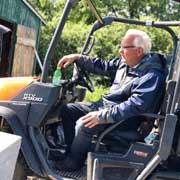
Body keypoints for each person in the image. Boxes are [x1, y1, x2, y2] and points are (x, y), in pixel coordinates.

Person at [55, 29, 167, 171]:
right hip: (106, 107)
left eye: (124, 47)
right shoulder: (126, 63)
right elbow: (103, 65)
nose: (120, 51)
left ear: (139, 51)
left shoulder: (151, 75)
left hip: (125, 119)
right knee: (68, 109)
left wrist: (102, 116)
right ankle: (73, 152)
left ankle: (74, 163)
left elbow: (136, 105)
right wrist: (77, 58)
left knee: (85, 123)